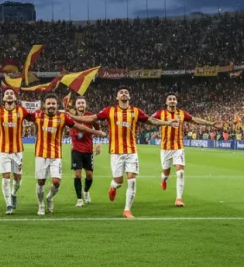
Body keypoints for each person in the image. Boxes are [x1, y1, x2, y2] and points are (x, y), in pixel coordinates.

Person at [70, 87, 179, 218]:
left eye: (126, 92)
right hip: (116, 152)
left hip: (131, 152)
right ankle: (113, 187)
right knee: (119, 181)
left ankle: (127, 210)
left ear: (129, 96)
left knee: (132, 180)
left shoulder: (136, 111)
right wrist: (72, 117)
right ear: (117, 97)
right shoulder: (110, 111)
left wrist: (167, 123)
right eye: (121, 92)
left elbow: (151, 120)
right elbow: (92, 118)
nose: (124, 94)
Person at [33, 95, 103, 216]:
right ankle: (41, 205)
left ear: (57, 105)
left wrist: (97, 134)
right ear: (44, 105)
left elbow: (80, 126)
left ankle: (49, 198)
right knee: (41, 182)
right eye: (48, 104)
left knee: (56, 182)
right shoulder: (37, 115)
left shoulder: (64, 117)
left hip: (57, 155)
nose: (51, 106)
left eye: (53, 104)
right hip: (42, 154)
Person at [153, 93, 221, 207]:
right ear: (166, 102)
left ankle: (179, 198)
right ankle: (164, 180)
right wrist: (164, 123)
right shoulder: (161, 113)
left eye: (174, 99)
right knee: (166, 173)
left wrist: (211, 124)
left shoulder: (181, 113)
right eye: (170, 99)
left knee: (180, 172)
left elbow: (195, 120)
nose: (172, 101)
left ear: (177, 102)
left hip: (178, 147)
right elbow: (150, 119)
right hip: (165, 148)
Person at [69, 96, 102, 207]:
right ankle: (79, 199)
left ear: (85, 104)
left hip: (88, 150)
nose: (81, 105)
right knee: (77, 175)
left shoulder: (91, 117)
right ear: (76, 105)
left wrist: (98, 143)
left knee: (89, 176)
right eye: (79, 103)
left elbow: (98, 130)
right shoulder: (71, 117)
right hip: (76, 150)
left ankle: (86, 191)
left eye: (83, 103)